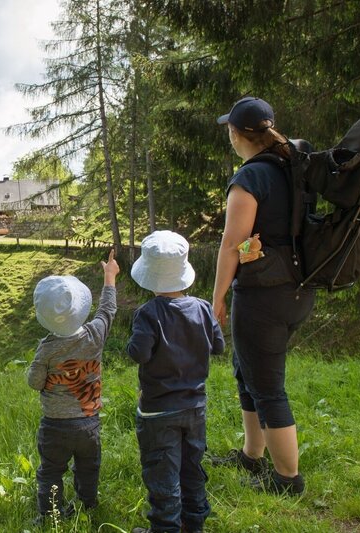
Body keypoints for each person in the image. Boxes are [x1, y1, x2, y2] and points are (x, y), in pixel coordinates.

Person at [211, 96, 316, 495]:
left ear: (238, 135)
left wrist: (218, 297)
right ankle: (252, 456)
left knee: (268, 386)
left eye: (230, 131)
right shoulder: (295, 168)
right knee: (247, 369)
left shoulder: (250, 178)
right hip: (298, 290)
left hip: (263, 297)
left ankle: (288, 480)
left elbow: (230, 244)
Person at [127, 231, 225, 533]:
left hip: (158, 412)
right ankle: (193, 525)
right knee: (192, 469)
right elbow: (218, 346)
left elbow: (138, 354)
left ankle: (165, 528)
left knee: (162, 473)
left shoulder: (148, 314)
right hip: (195, 408)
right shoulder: (203, 308)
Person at [26, 249, 119, 523]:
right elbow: (107, 309)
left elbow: (34, 383)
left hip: (55, 425)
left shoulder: (46, 350)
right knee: (88, 466)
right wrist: (109, 277)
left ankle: (51, 514)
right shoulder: (95, 335)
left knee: (52, 470)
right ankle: (88, 503)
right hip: (89, 423)